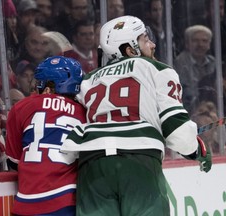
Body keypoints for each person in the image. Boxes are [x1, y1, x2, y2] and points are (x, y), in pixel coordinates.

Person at [61, 16, 212, 216]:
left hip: (92, 164)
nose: (152, 44)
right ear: (131, 50)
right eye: (145, 39)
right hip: (138, 162)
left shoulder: (88, 80)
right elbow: (178, 133)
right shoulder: (158, 70)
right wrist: (198, 150)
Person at [6, 56, 86, 215]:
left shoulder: (21, 106)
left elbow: (13, 161)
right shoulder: (84, 113)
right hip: (65, 200)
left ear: (48, 88)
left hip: (25, 203)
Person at [173, 25, 216, 115]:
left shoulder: (214, 62)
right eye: (195, 41)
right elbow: (187, 92)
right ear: (187, 44)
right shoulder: (180, 62)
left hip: (210, 107)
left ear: (209, 45)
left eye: (204, 41)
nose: (200, 44)